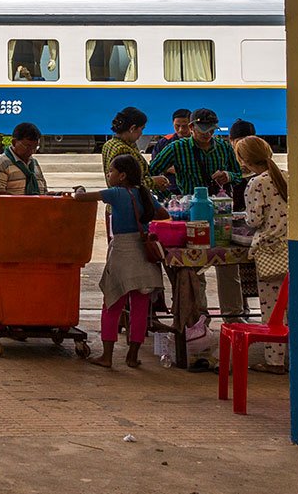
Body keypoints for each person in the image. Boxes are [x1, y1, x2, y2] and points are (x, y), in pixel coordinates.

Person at [69, 154, 166, 369]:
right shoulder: (145, 194)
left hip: (123, 252)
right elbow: (164, 214)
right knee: (141, 308)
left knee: (112, 305)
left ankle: (107, 356)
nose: (108, 174)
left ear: (121, 176)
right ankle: (132, 355)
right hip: (144, 255)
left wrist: (79, 190)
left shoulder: (116, 193)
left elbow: (81, 198)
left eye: (111, 171)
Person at [148, 108, 246, 319]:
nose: (207, 134)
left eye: (211, 130)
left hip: (221, 212)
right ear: (191, 128)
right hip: (190, 213)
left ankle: (233, 315)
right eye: (202, 129)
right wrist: (166, 195)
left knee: (228, 267)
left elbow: (239, 175)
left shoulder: (223, 148)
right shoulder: (177, 148)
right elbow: (152, 171)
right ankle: (198, 316)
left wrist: (228, 176)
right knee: (194, 266)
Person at [234, 136, 289, 370]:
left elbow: (254, 220)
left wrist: (241, 219)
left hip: (270, 252)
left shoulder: (257, 183)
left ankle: (274, 361)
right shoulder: (287, 176)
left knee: (272, 309)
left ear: (243, 160)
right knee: (293, 308)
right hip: (294, 249)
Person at [0, 123, 49, 197]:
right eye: (27, 147)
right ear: (14, 142)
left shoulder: (34, 163)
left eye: (35, 147)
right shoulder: (1, 164)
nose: (32, 151)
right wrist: (26, 202)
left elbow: (43, 191)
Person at [102, 107, 150, 179]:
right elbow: (129, 183)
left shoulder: (109, 144)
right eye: (141, 129)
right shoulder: (122, 149)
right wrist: (154, 182)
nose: (141, 133)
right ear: (132, 128)